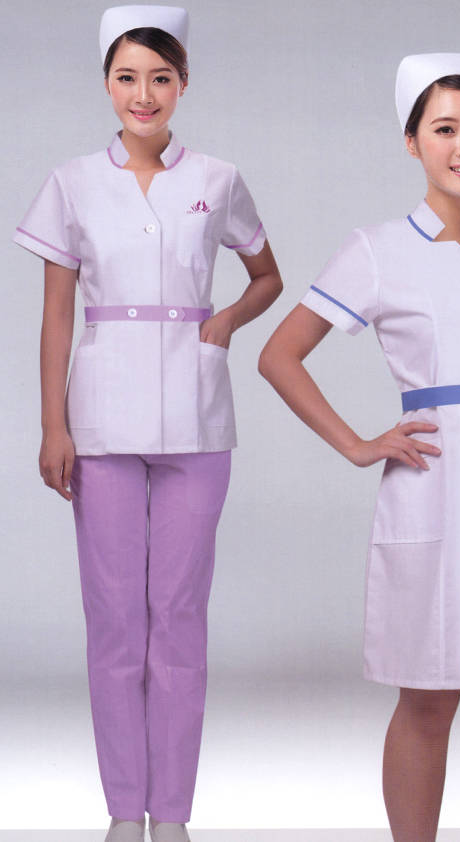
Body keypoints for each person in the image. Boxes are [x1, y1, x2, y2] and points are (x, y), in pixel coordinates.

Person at [259, 52, 460, 842]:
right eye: (444, 129)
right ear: (412, 142)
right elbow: (279, 355)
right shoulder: (377, 249)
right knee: (428, 699)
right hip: (433, 491)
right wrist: (357, 444)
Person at [13, 5, 282, 841]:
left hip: (197, 423)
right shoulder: (71, 183)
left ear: (183, 84)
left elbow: (267, 276)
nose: (143, 93)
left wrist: (225, 321)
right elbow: (57, 315)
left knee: (179, 619)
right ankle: (123, 810)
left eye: (159, 78)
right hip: (100, 424)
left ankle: (173, 815)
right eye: (127, 77)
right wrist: (53, 425)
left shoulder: (218, 179)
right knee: (115, 623)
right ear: (106, 85)